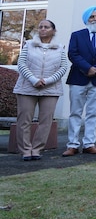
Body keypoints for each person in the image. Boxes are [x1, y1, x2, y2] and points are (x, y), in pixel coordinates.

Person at [62, 6, 96, 156]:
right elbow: (73, 54)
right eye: (92, 17)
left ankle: (89, 144)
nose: (95, 19)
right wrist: (87, 68)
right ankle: (72, 145)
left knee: (92, 113)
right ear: (86, 19)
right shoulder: (77, 35)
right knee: (75, 113)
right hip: (78, 78)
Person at [13, 19, 68, 161]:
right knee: (24, 119)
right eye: (40, 27)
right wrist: (34, 80)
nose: (43, 29)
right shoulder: (29, 45)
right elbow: (21, 63)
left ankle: (36, 149)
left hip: (51, 89)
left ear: (53, 30)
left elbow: (63, 67)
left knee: (46, 120)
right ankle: (25, 150)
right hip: (27, 88)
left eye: (46, 27)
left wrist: (47, 81)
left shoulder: (60, 47)